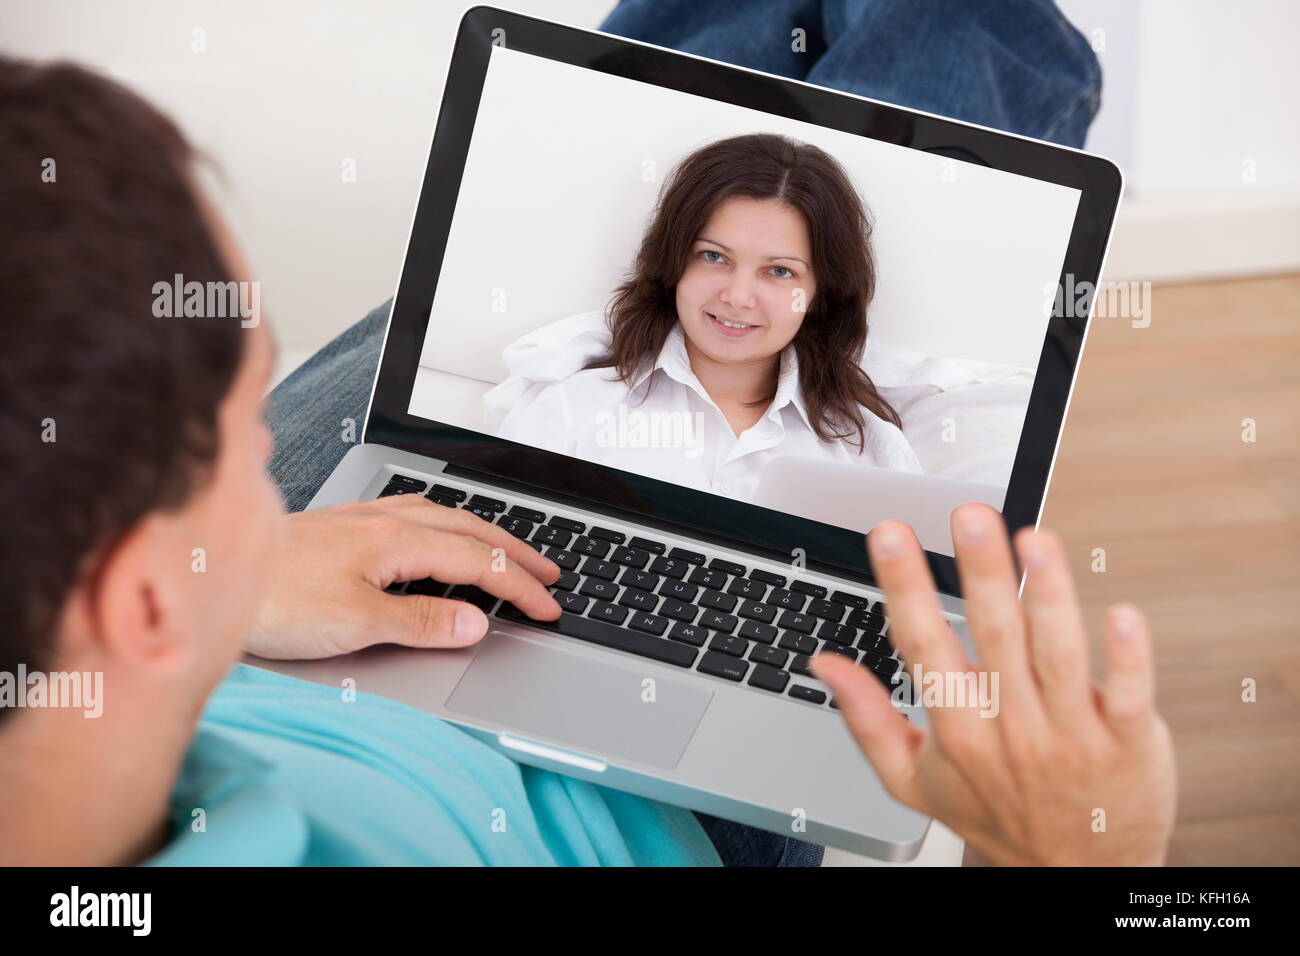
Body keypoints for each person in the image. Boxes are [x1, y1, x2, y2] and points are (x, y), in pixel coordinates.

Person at [1, 0, 1176, 868]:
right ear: (140, 598)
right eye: (233, 440)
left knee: (727, 71)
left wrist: (232, 594)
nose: (270, 445)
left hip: (217, 655)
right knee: (934, 41)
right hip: (631, 788)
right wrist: (1084, 854)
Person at [493, 133, 924, 500]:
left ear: (818, 294)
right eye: (714, 256)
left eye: (779, 271)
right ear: (676, 262)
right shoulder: (572, 405)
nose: (737, 297)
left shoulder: (870, 455)